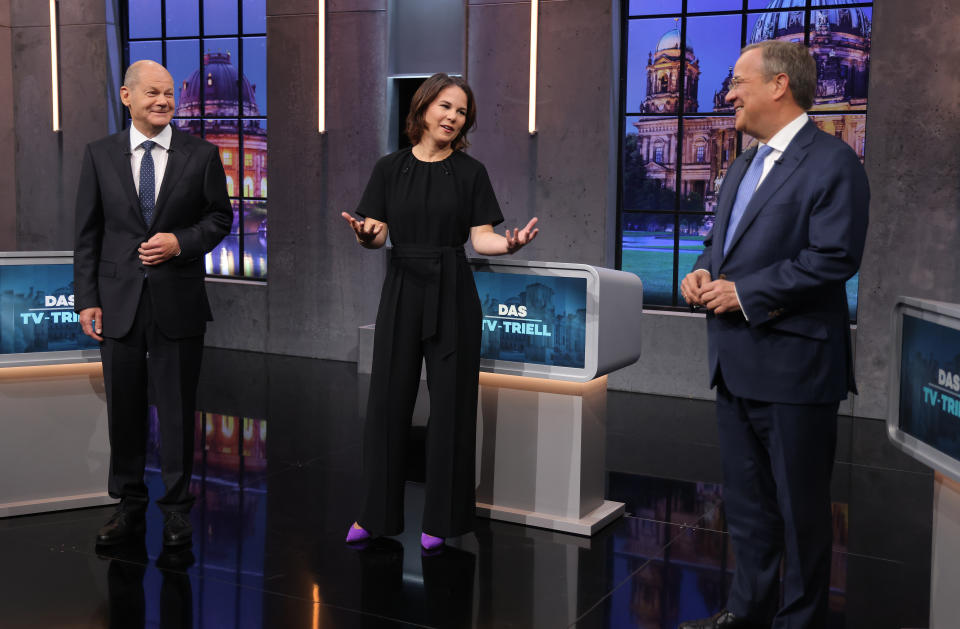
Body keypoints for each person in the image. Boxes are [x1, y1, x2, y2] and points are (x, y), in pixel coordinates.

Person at [678, 41, 869, 629]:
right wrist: (705, 270)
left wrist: (746, 294)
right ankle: (745, 611)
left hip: (795, 369)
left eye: (738, 81)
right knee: (748, 507)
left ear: (779, 85)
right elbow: (723, 245)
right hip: (735, 363)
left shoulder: (834, 162)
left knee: (801, 512)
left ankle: (798, 621)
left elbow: (834, 259)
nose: (727, 93)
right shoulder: (741, 162)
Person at [341, 73, 539, 551]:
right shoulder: (389, 168)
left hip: (453, 287)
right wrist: (367, 235)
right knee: (387, 403)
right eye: (446, 107)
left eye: (462, 112)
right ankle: (375, 514)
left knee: (451, 408)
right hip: (403, 284)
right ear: (424, 107)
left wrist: (508, 244)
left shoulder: (471, 172)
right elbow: (378, 232)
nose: (453, 117)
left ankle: (442, 521)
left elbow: (480, 238)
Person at [74, 60, 232, 548]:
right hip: (118, 299)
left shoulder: (201, 155)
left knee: (179, 408)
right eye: (153, 93)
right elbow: (88, 233)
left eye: (169, 94)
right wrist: (88, 300)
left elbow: (219, 219)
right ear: (127, 97)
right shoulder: (99, 154)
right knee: (124, 407)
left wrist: (179, 243)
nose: (163, 101)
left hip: (177, 300)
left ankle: (178, 509)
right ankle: (128, 504)